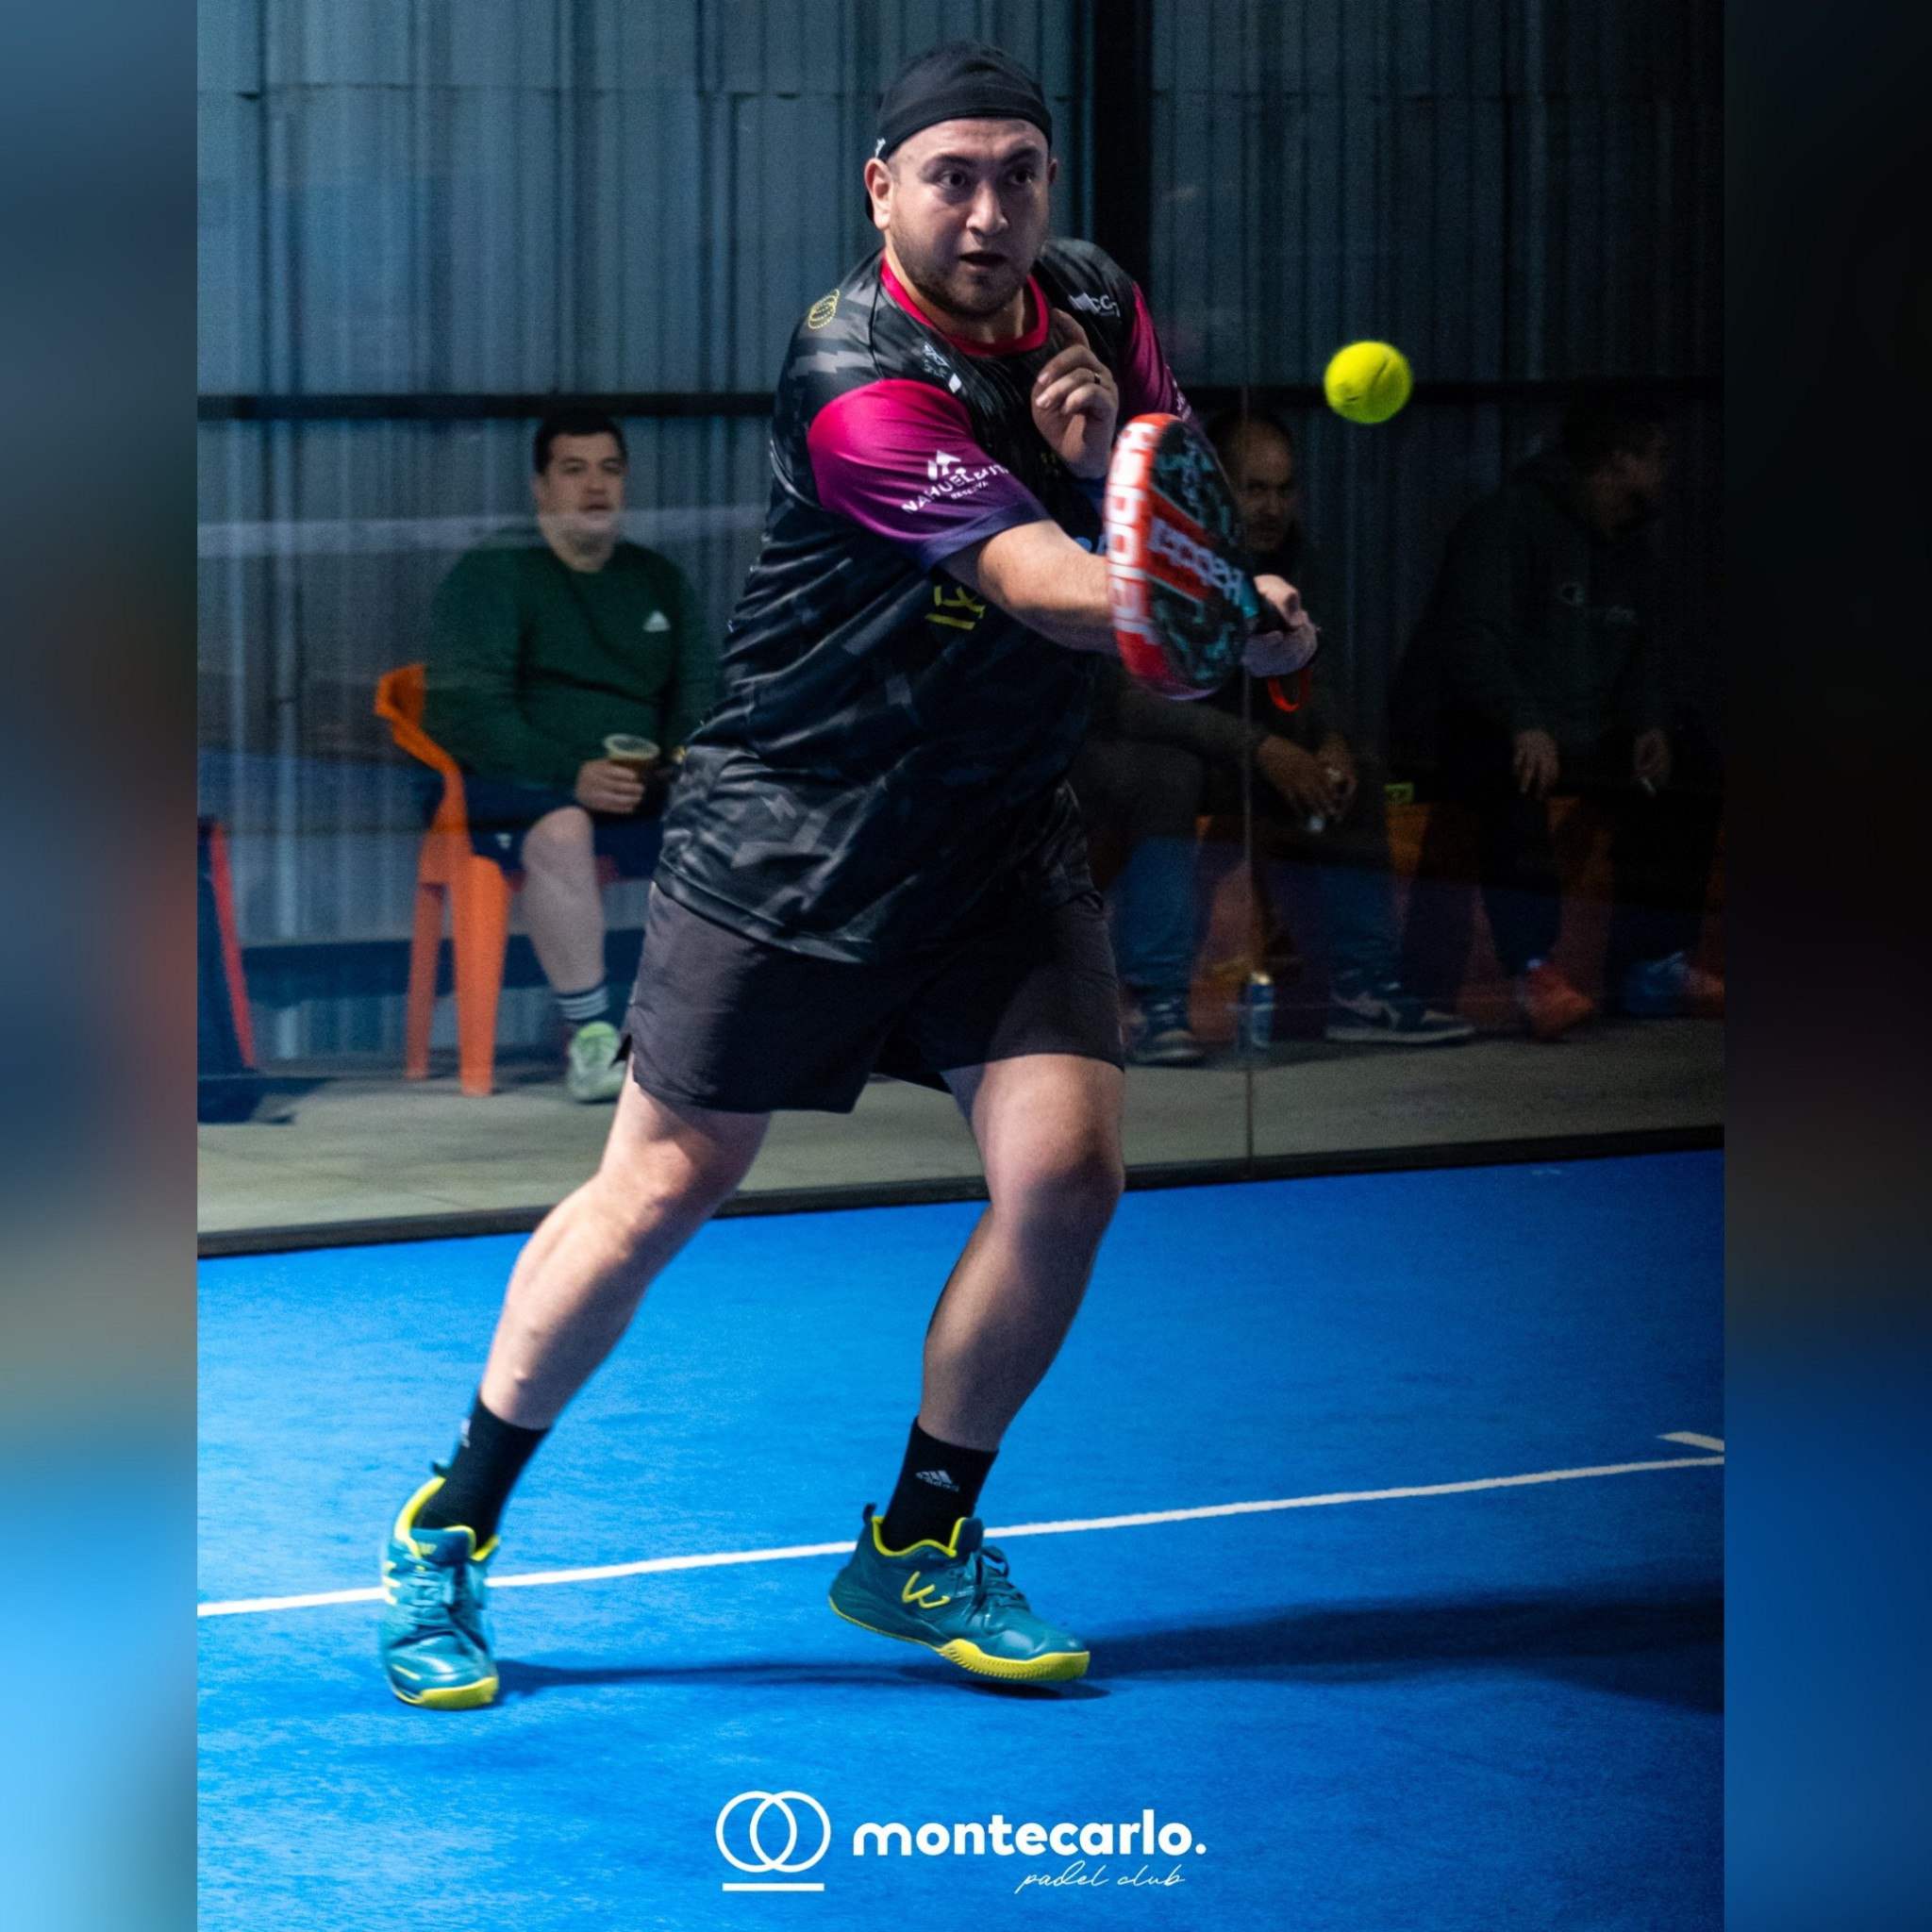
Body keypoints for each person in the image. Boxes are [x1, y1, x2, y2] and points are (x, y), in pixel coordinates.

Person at [376, 42, 1312, 1708]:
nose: (988, 211)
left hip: (998, 827)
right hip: (798, 827)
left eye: (1018, 174)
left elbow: (1161, 500)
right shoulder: (850, 370)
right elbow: (1042, 578)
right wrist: (1226, 610)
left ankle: (921, 1539)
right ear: (880, 190)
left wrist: (1168, 511)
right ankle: (451, 1521)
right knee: (663, 1185)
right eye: (950, 177)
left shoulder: (1094, 300)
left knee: (1067, 1176)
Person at [1070, 411, 1471, 1060]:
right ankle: (1156, 1004)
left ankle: (1362, 989)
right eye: (1255, 489)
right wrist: (1263, 748)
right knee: (1168, 773)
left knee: (1354, 766)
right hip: (1136, 752)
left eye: (1284, 490)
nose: (1272, 507)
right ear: (1216, 488)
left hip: (1241, 754)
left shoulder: (1293, 559)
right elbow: (1131, 703)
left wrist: (1330, 738)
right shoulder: (1157, 547)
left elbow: (1313, 667)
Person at [1406, 395, 1724, 1040]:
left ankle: (1651, 963)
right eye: (1656, 456)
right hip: (1503, 721)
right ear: (1619, 460)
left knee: (1688, 756)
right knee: (1509, 763)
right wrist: (1522, 717)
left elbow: (1644, 654)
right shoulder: (1508, 523)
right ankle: (1532, 970)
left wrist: (1648, 724)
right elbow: (1470, 638)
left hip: (1588, 729)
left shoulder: (1632, 550)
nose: (1667, 471)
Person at [421, 408, 716, 1101]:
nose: (595, 486)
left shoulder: (656, 579)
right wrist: (569, 774)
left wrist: (680, 762)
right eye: (574, 470)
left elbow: (700, 694)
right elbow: (466, 712)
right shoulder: (494, 574)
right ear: (540, 487)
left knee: (735, 822)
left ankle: (691, 1033)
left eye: (609, 469)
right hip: (517, 781)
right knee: (562, 830)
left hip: (641, 785)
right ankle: (592, 1042)